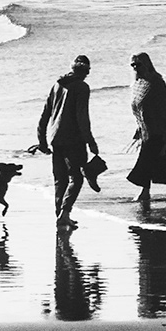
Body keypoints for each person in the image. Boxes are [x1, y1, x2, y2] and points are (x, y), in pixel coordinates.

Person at [36, 53, 99, 229]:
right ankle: (64, 213)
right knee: (76, 178)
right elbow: (82, 117)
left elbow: (45, 114)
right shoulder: (82, 87)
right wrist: (91, 141)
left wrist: (41, 140)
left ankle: (61, 216)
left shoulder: (57, 85)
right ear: (86, 71)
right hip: (74, 139)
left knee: (60, 180)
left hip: (55, 138)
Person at [125, 51, 166, 204]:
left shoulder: (156, 82)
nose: (135, 67)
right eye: (132, 65)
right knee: (160, 162)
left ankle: (145, 192)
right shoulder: (138, 84)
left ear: (146, 64)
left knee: (145, 161)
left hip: (159, 131)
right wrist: (139, 129)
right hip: (146, 132)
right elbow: (139, 110)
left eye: (138, 64)